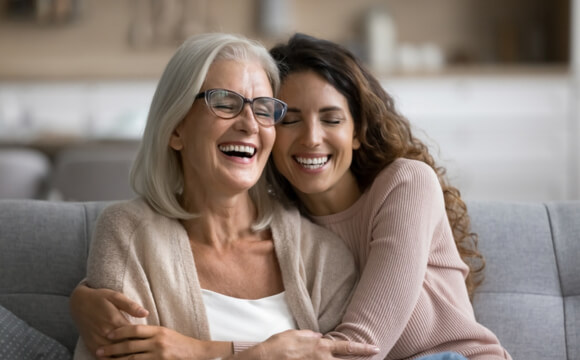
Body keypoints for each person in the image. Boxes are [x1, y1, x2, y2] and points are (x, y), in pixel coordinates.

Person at [71, 33, 512, 359]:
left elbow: (360, 350)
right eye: (289, 118)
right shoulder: (300, 219)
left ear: (358, 131)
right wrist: (80, 297)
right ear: (175, 128)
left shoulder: (399, 188)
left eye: (262, 108)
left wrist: (215, 352)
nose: (311, 139)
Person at [72, 32, 380, 360]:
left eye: (264, 109)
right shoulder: (128, 234)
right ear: (176, 128)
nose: (249, 124)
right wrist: (263, 355)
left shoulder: (321, 255)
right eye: (223, 103)